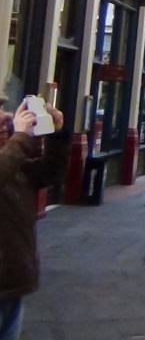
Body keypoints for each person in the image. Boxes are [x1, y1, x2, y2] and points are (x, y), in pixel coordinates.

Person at [0, 99, 69, 340]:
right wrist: (20, 137)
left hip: (12, 281)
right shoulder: (11, 155)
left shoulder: (15, 162)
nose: (3, 118)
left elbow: (52, 172)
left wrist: (57, 134)